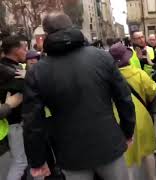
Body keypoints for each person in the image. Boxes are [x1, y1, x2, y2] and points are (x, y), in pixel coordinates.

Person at [22, 12, 135, 180]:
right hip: (108, 144)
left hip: (70, 152)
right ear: (71, 27)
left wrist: (37, 161)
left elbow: (32, 122)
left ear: (46, 35)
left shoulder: (37, 71)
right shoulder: (102, 58)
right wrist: (127, 132)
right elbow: (124, 99)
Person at [109, 42, 156, 180]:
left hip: (119, 120)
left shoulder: (109, 78)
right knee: (148, 151)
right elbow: (153, 90)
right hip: (142, 118)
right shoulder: (139, 74)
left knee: (126, 158)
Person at [0, 35, 28, 180]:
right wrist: (30, 76)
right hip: (13, 123)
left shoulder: (9, 67)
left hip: (13, 123)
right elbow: (31, 89)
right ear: (16, 50)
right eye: (24, 48)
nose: (26, 51)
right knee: (20, 162)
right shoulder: (11, 72)